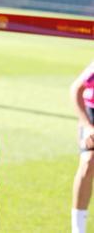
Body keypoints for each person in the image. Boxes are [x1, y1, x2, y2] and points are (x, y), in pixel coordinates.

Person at [71, 61, 94, 233]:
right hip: (91, 111)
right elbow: (76, 89)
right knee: (88, 162)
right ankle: (78, 229)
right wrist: (87, 126)